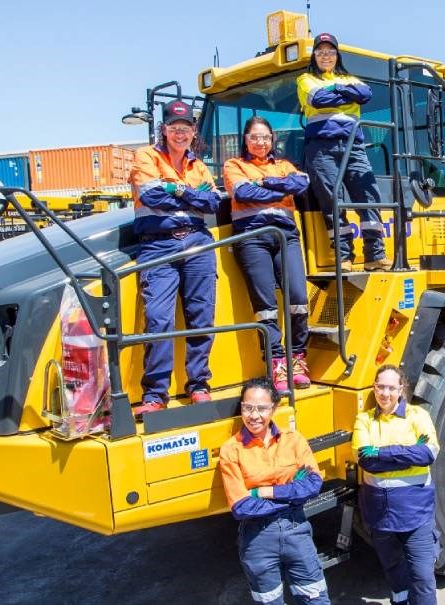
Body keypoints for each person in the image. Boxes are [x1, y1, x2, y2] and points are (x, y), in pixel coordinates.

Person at [129, 99, 223, 411]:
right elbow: (150, 193)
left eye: (185, 129)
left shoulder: (199, 165)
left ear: (193, 131)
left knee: (202, 315)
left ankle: (199, 384)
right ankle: (156, 394)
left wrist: (176, 190)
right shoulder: (146, 156)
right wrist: (188, 195)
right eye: (174, 128)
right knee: (158, 319)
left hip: (198, 243)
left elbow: (212, 203)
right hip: (158, 244)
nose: (180, 134)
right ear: (164, 129)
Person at [218, 377, 330, 604]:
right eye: (248, 408)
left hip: (296, 531)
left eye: (261, 408)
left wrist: (264, 492)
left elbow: (313, 484)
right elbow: (242, 507)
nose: (254, 415)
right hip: (258, 539)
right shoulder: (231, 449)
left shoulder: (293, 440)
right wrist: (292, 496)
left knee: (315, 598)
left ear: (274, 408)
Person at [223, 116, 312, 393]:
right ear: (245, 140)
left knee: (298, 297)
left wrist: (264, 184)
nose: (260, 142)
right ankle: (277, 364)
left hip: (286, 236)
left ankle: (297, 358)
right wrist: (277, 185)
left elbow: (301, 184)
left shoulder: (284, 165)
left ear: (272, 139)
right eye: (254, 137)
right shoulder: (233, 165)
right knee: (265, 307)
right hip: (252, 238)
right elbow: (243, 191)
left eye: (265, 137)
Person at [296, 32, 392, 273]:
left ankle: (375, 254)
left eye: (330, 52)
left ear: (336, 55)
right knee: (332, 202)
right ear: (314, 56)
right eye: (320, 52)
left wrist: (337, 88)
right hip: (321, 148)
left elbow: (366, 94)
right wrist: (344, 91)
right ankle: (343, 256)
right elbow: (318, 99)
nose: (325, 56)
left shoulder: (351, 78)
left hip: (353, 146)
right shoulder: (305, 80)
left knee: (368, 195)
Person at [352, 364, 440, 605]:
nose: (385, 393)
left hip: (416, 515)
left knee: (422, 577)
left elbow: (427, 454)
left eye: (391, 387)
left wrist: (383, 453)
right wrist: (408, 452)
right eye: (380, 386)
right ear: (374, 387)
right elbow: (366, 460)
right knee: (394, 573)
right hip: (381, 517)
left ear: (401, 389)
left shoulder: (417, 416)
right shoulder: (364, 419)